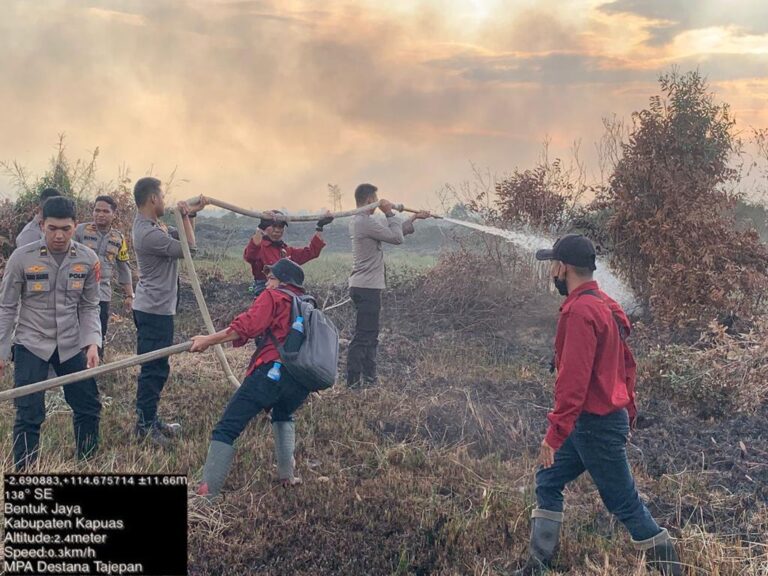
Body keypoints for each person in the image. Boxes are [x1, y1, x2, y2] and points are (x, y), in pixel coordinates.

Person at [511, 234, 681, 576]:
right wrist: (625, 409)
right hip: (591, 423)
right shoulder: (603, 304)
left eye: (553, 266)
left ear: (563, 268)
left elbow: (573, 384)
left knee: (624, 503)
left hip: (595, 425)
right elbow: (625, 365)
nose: (551, 274)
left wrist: (554, 435)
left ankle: (672, 569)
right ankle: (537, 565)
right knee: (548, 478)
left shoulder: (580, 312)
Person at [190, 259, 311, 498]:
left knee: (226, 428)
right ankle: (287, 476)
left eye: (271, 278)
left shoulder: (275, 297)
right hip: (300, 381)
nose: (266, 284)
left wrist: (207, 340)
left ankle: (206, 497)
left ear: (283, 282)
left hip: (271, 373)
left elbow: (246, 326)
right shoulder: (307, 305)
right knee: (283, 414)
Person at [0, 196, 102, 470]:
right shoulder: (22, 258)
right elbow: (6, 307)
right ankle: (25, 472)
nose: (59, 236)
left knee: (88, 406)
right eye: (52, 228)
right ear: (41, 225)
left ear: (75, 226)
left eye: (66, 229)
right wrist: (1, 351)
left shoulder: (88, 259)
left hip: (71, 342)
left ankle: (87, 464)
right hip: (31, 342)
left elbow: (89, 305)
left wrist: (92, 343)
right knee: (28, 413)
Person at [131, 177, 206, 446]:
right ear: (153, 198)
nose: (164, 201)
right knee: (153, 369)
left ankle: (150, 419)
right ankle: (144, 426)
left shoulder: (155, 225)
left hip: (158, 308)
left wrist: (190, 214)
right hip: (153, 311)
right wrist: (184, 216)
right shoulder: (148, 233)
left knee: (159, 367)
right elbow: (190, 249)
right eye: (162, 196)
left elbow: (183, 235)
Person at [346, 183, 429, 387]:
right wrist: (389, 212)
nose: (378, 202)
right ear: (369, 200)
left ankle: (370, 379)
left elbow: (395, 231)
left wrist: (414, 218)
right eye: (376, 199)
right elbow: (396, 238)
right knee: (364, 336)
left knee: (370, 335)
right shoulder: (363, 222)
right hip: (366, 288)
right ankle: (353, 383)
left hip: (366, 287)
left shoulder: (364, 221)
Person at [75, 195, 134, 359]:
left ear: (114, 214)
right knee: (75, 332)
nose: (100, 214)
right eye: (97, 210)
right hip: (78, 291)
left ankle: (96, 365)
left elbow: (124, 266)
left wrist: (129, 295)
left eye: (105, 211)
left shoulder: (118, 238)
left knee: (99, 331)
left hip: (102, 293)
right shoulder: (79, 231)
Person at [243, 210, 333, 296]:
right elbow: (250, 255)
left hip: (285, 291)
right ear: (266, 227)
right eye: (274, 226)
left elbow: (312, 252)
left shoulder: (286, 251)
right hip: (265, 291)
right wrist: (261, 228)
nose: (277, 230)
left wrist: (319, 227)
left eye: (281, 226)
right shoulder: (260, 247)